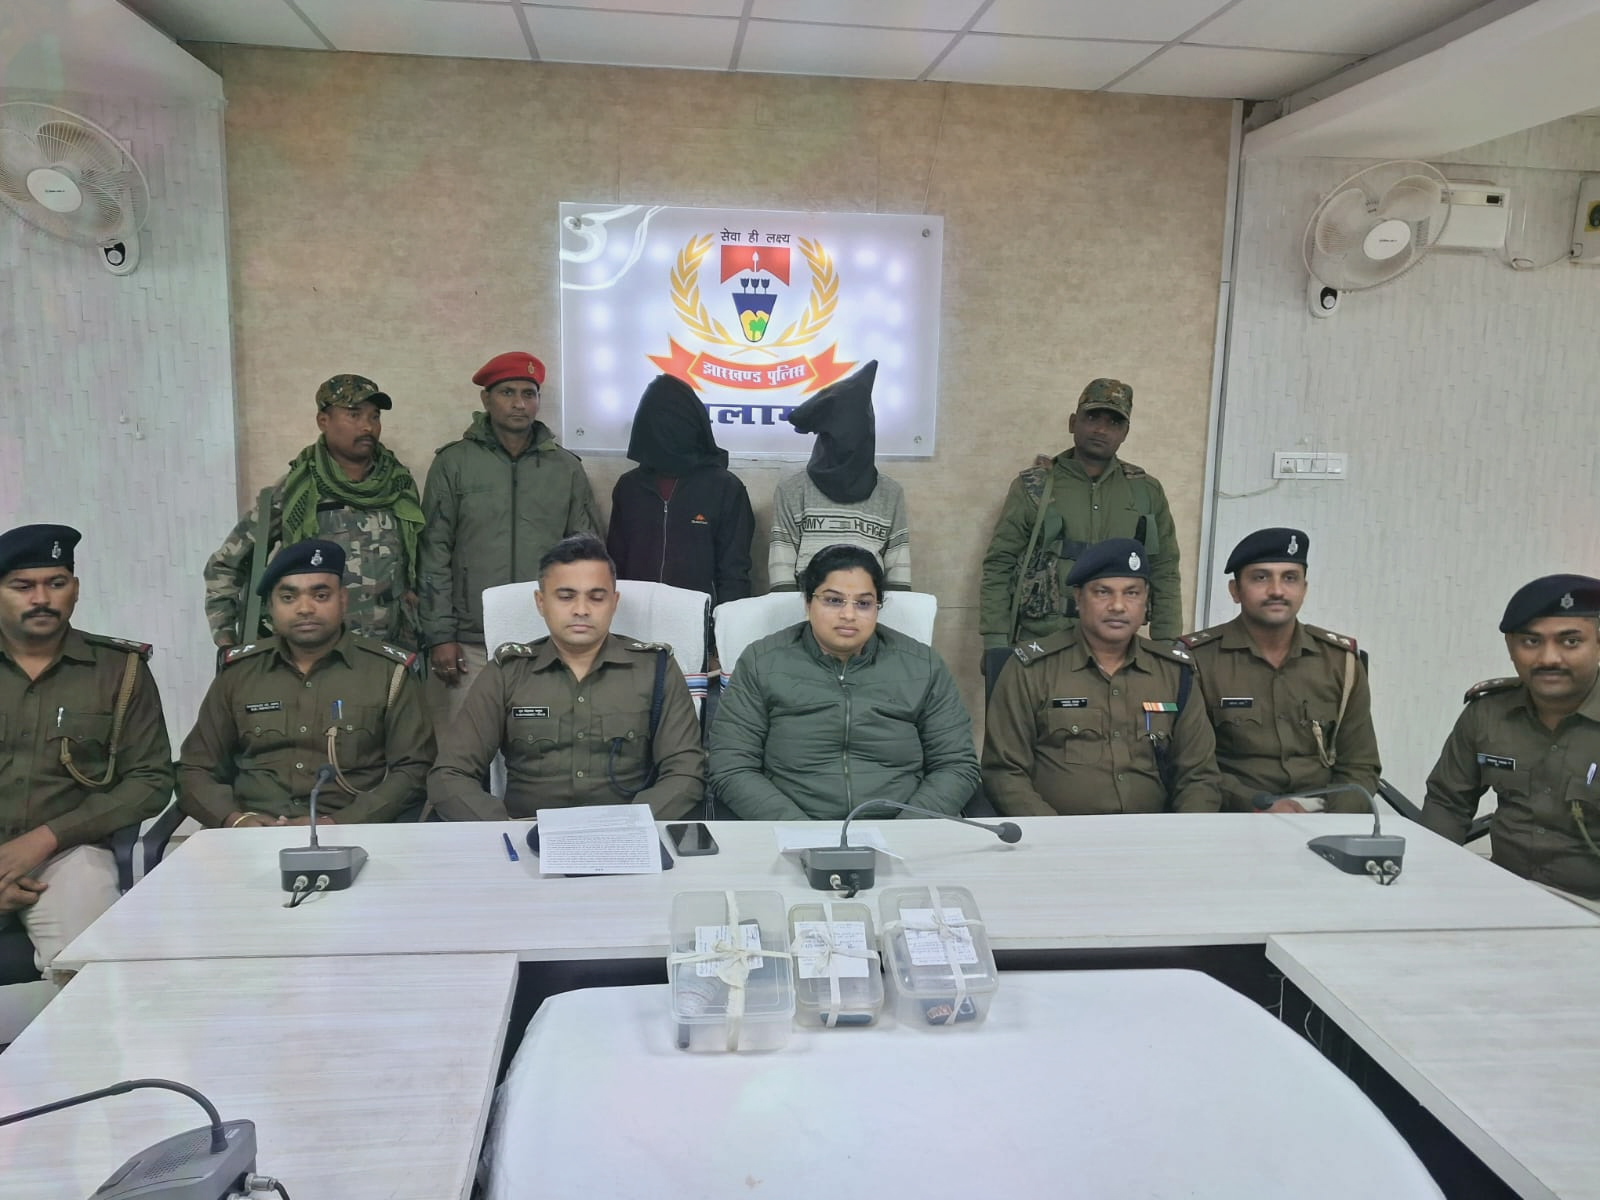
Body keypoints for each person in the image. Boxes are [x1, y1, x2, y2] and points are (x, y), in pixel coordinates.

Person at [427, 534, 704, 820]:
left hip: (628, 835)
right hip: (524, 836)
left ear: (614, 602)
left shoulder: (655, 669)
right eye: (566, 597)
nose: (581, 610)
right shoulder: (507, 672)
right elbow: (450, 775)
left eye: (596, 597)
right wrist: (501, 828)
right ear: (540, 602)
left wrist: (633, 826)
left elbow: (686, 771)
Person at [0, 525, 173, 978]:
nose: (41, 598)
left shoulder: (120, 671)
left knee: (94, 965)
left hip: (67, 852)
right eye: (22, 586)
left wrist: (45, 838)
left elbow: (151, 780)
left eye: (56, 583)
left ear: (75, 589)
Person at [710, 542, 978, 820]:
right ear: (808, 603)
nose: (849, 615)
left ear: (877, 607)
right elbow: (731, 766)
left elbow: (957, 766)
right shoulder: (761, 662)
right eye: (833, 600)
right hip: (790, 827)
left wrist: (907, 830)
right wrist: (800, 832)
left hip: (902, 829)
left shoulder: (923, 665)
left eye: (863, 603)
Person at [180, 539, 434, 827]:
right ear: (271, 607)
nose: (305, 608)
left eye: (321, 595)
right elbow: (195, 768)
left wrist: (339, 823)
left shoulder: (388, 673)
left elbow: (414, 770)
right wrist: (235, 819)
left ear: (343, 600)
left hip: (353, 833)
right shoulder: (239, 674)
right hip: (249, 835)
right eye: (289, 597)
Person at [418, 351, 601, 729]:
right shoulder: (454, 464)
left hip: (546, 638)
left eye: (528, 394)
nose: (519, 403)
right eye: (507, 392)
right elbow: (433, 552)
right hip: (472, 640)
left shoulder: (565, 468)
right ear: (486, 399)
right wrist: (440, 636)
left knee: (542, 743)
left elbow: (586, 556)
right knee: (466, 745)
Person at [982, 538, 1220, 815]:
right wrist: (1050, 832)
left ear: (1145, 600)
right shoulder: (1031, 669)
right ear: (1078, 598)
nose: (1118, 606)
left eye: (1131, 593)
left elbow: (1198, 776)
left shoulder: (1174, 672)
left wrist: (1184, 834)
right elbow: (1004, 771)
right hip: (1057, 833)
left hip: (1156, 834)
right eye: (1103, 592)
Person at [204, 374, 425, 650]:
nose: (368, 426)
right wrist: (226, 638)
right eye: (354, 414)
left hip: (389, 650)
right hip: (314, 653)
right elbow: (225, 564)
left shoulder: (398, 485)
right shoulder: (296, 491)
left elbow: (423, 566)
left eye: (375, 416)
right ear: (323, 421)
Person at [1421, 574, 1600, 906]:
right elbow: (1447, 803)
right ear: (1510, 647)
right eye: (1531, 641)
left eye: (1570, 641)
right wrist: (1432, 883)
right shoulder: (1487, 713)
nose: (1549, 658)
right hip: (1503, 894)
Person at [1179, 528, 1379, 813]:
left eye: (1289, 578)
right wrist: (1257, 805)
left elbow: (1360, 765)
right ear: (1235, 591)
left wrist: (1331, 817)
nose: (1276, 590)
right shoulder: (1197, 661)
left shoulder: (1341, 662)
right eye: (1260, 578)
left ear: (1304, 589)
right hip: (1236, 814)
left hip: (1323, 814)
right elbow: (1194, 767)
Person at [979, 378, 1181, 651]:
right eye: (1092, 417)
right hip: (1042, 644)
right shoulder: (1034, 486)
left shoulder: (1146, 491)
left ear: (1125, 432)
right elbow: (1000, 563)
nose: (1101, 429)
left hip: (1116, 647)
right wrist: (994, 640)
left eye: (1114, 422)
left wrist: (1167, 643)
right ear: (1073, 422)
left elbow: (1164, 568)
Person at [606, 372, 754, 605]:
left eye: (672, 419)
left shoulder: (725, 488)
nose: (663, 429)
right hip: (635, 614)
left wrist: (726, 621)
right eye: (655, 420)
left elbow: (734, 572)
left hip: (700, 617)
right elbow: (615, 564)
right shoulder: (629, 488)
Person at [768, 361, 911, 591]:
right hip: (807, 608)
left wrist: (891, 614)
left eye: (856, 439)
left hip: (867, 609)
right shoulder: (793, 491)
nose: (847, 448)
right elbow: (781, 573)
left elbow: (898, 573)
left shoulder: (890, 494)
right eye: (838, 440)